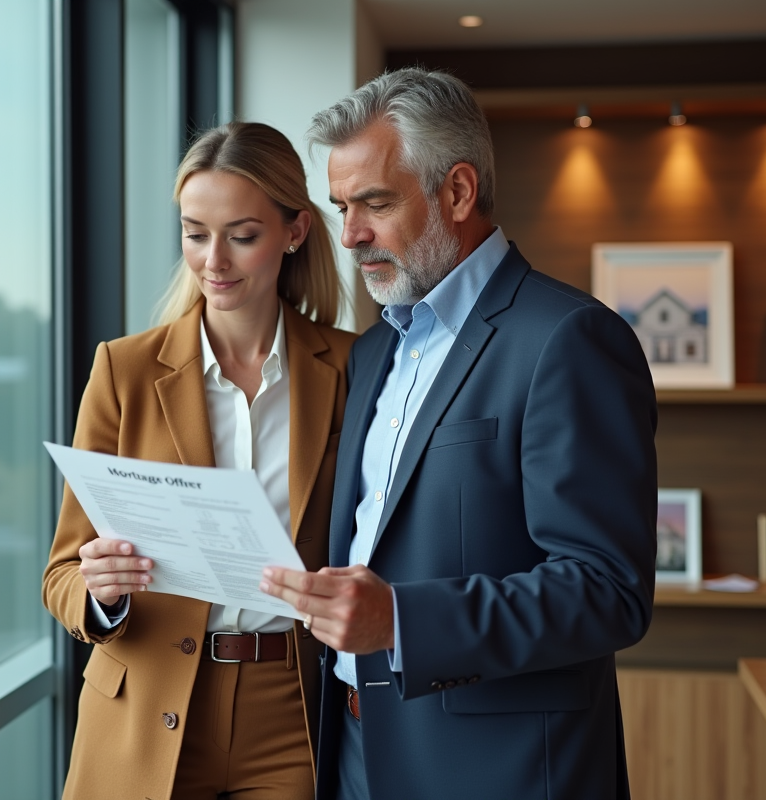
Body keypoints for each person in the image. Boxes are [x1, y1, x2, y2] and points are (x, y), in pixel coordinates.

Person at [259, 68, 658, 799]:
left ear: (459, 191)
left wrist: (403, 620)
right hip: (351, 750)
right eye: (342, 206)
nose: (349, 235)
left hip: (494, 770)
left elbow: (608, 590)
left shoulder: (568, 340)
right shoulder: (373, 350)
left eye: (374, 203)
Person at [42, 121, 356, 800]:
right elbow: (62, 572)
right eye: (194, 233)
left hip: (291, 709)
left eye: (242, 235)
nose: (214, 259)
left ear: (295, 231)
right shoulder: (123, 371)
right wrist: (101, 593)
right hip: (142, 703)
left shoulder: (354, 367)